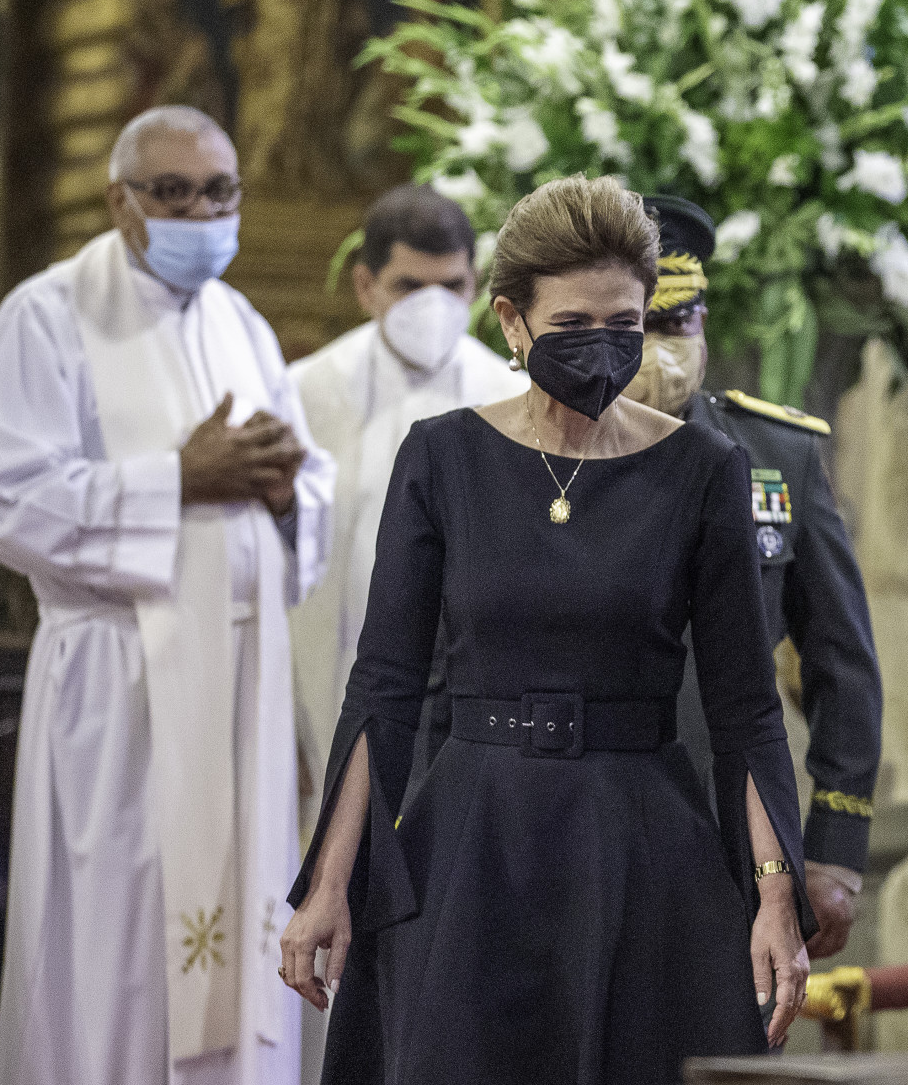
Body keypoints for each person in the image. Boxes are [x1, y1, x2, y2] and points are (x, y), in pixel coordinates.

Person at [278, 176, 814, 1082]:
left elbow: (745, 710)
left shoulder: (703, 467)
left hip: (641, 845)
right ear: (512, 321)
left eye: (624, 323)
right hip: (472, 844)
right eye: (573, 325)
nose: (602, 346)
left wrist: (775, 894)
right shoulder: (442, 454)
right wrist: (329, 882)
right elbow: (384, 688)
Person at [0, 105, 335, 1084]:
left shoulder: (243, 324)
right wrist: (177, 478)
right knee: (118, 943)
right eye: (173, 194)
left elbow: (311, 485)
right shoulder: (48, 314)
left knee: (242, 925)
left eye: (219, 192)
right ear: (120, 202)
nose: (201, 214)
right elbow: (13, 498)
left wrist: (283, 495)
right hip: (116, 686)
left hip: (237, 688)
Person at [626, 195, 883, 961]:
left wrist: (835, 845)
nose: (660, 349)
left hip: (729, 831)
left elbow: (842, 661)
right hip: (573, 820)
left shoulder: (777, 456)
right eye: (638, 327)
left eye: (677, 323)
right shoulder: (543, 455)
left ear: (703, 322)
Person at [289, 184, 524, 815]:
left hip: (469, 704)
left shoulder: (515, 398)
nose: (433, 305)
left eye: (451, 286)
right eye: (409, 286)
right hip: (330, 681)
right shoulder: (301, 396)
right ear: (365, 286)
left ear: (476, 286)